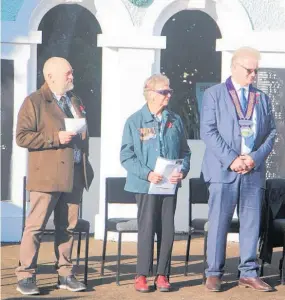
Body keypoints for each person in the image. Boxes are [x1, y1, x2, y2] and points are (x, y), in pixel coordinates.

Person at [15, 57, 94, 295]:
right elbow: (22, 137)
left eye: (71, 72)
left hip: (74, 175)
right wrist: (55, 137)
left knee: (68, 227)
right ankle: (26, 275)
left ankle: (65, 274)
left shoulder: (74, 100)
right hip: (47, 176)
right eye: (67, 73)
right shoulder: (35, 101)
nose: (72, 76)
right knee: (35, 227)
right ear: (50, 77)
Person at [200, 47, 276, 292]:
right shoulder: (214, 95)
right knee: (219, 223)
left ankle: (249, 272)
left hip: (252, 172)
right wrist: (232, 159)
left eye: (256, 70)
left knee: (251, 223)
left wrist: (253, 158)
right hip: (224, 170)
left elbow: (271, 133)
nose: (253, 75)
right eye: (249, 70)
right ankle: (213, 273)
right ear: (234, 67)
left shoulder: (262, 98)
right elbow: (208, 131)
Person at [120, 74, 191, 293]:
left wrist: (182, 170)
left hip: (169, 185)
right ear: (150, 93)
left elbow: (185, 152)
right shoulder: (134, 121)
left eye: (170, 91)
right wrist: (147, 174)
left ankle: (163, 274)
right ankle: (141, 274)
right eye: (164, 92)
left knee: (167, 229)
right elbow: (126, 155)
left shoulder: (175, 120)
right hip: (145, 185)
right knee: (147, 228)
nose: (168, 95)